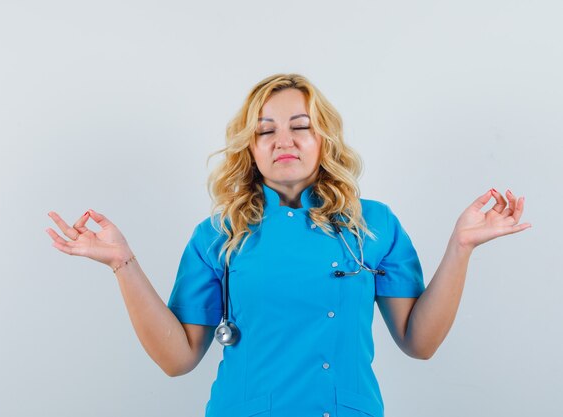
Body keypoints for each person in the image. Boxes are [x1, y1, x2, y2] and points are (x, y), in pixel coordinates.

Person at [46, 74, 531, 417]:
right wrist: (122, 263)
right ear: (250, 149)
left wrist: (461, 246)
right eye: (265, 130)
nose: (284, 140)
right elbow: (178, 359)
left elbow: (419, 342)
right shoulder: (218, 233)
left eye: (300, 126)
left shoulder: (374, 224)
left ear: (324, 139)